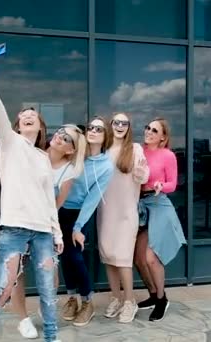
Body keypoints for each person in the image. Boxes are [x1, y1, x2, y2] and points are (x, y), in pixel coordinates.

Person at [0, 50, 63, 342]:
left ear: (40, 127)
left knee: (49, 292)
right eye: (23, 116)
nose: (27, 117)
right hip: (13, 228)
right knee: (3, 287)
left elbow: (49, 200)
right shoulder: (9, 143)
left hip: (42, 232)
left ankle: (52, 337)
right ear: (16, 124)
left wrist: (57, 233)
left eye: (33, 116)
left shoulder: (42, 158)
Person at [12, 124, 86, 339]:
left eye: (67, 139)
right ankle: (23, 320)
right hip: (18, 220)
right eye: (60, 133)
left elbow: (56, 205)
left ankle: (45, 309)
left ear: (71, 150)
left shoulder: (68, 171)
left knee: (51, 272)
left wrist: (54, 232)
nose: (60, 138)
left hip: (44, 224)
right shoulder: (33, 154)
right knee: (16, 272)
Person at [60, 117, 114, 327]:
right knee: (64, 256)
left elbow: (92, 200)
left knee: (76, 257)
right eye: (90, 127)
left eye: (98, 129)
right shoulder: (75, 154)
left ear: (104, 135)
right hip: (59, 209)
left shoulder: (106, 167)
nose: (92, 131)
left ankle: (88, 301)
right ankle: (72, 298)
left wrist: (78, 227)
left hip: (79, 215)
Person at [96, 112, 149, 323]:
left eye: (124, 123)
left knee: (124, 258)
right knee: (108, 255)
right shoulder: (104, 150)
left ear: (128, 127)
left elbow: (144, 176)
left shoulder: (135, 149)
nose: (119, 126)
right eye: (116, 122)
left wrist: (140, 171)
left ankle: (130, 301)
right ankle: (116, 298)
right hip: (106, 211)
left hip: (127, 212)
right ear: (111, 125)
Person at [134, 117, 187, 322]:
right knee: (138, 259)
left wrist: (159, 186)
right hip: (139, 206)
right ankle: (153, 295)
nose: (149, 132)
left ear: (163, 137)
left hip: (158, 205)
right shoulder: (138, 151)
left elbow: (172, 184)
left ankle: (162, 299)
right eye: (148, 127)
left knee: (150, 258)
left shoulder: (167, 155)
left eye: (155, 130)